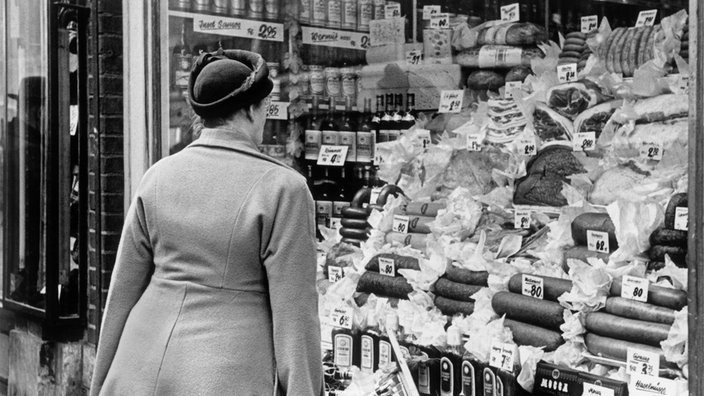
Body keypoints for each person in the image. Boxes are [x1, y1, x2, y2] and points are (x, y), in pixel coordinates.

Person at [90, 49, 323, 395]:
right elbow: (296, 320)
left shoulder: (158, 175)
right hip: (222, 373)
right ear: (250, 110)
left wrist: (100, 383)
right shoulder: (284, 189)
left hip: (136, 365)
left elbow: (122, 292)